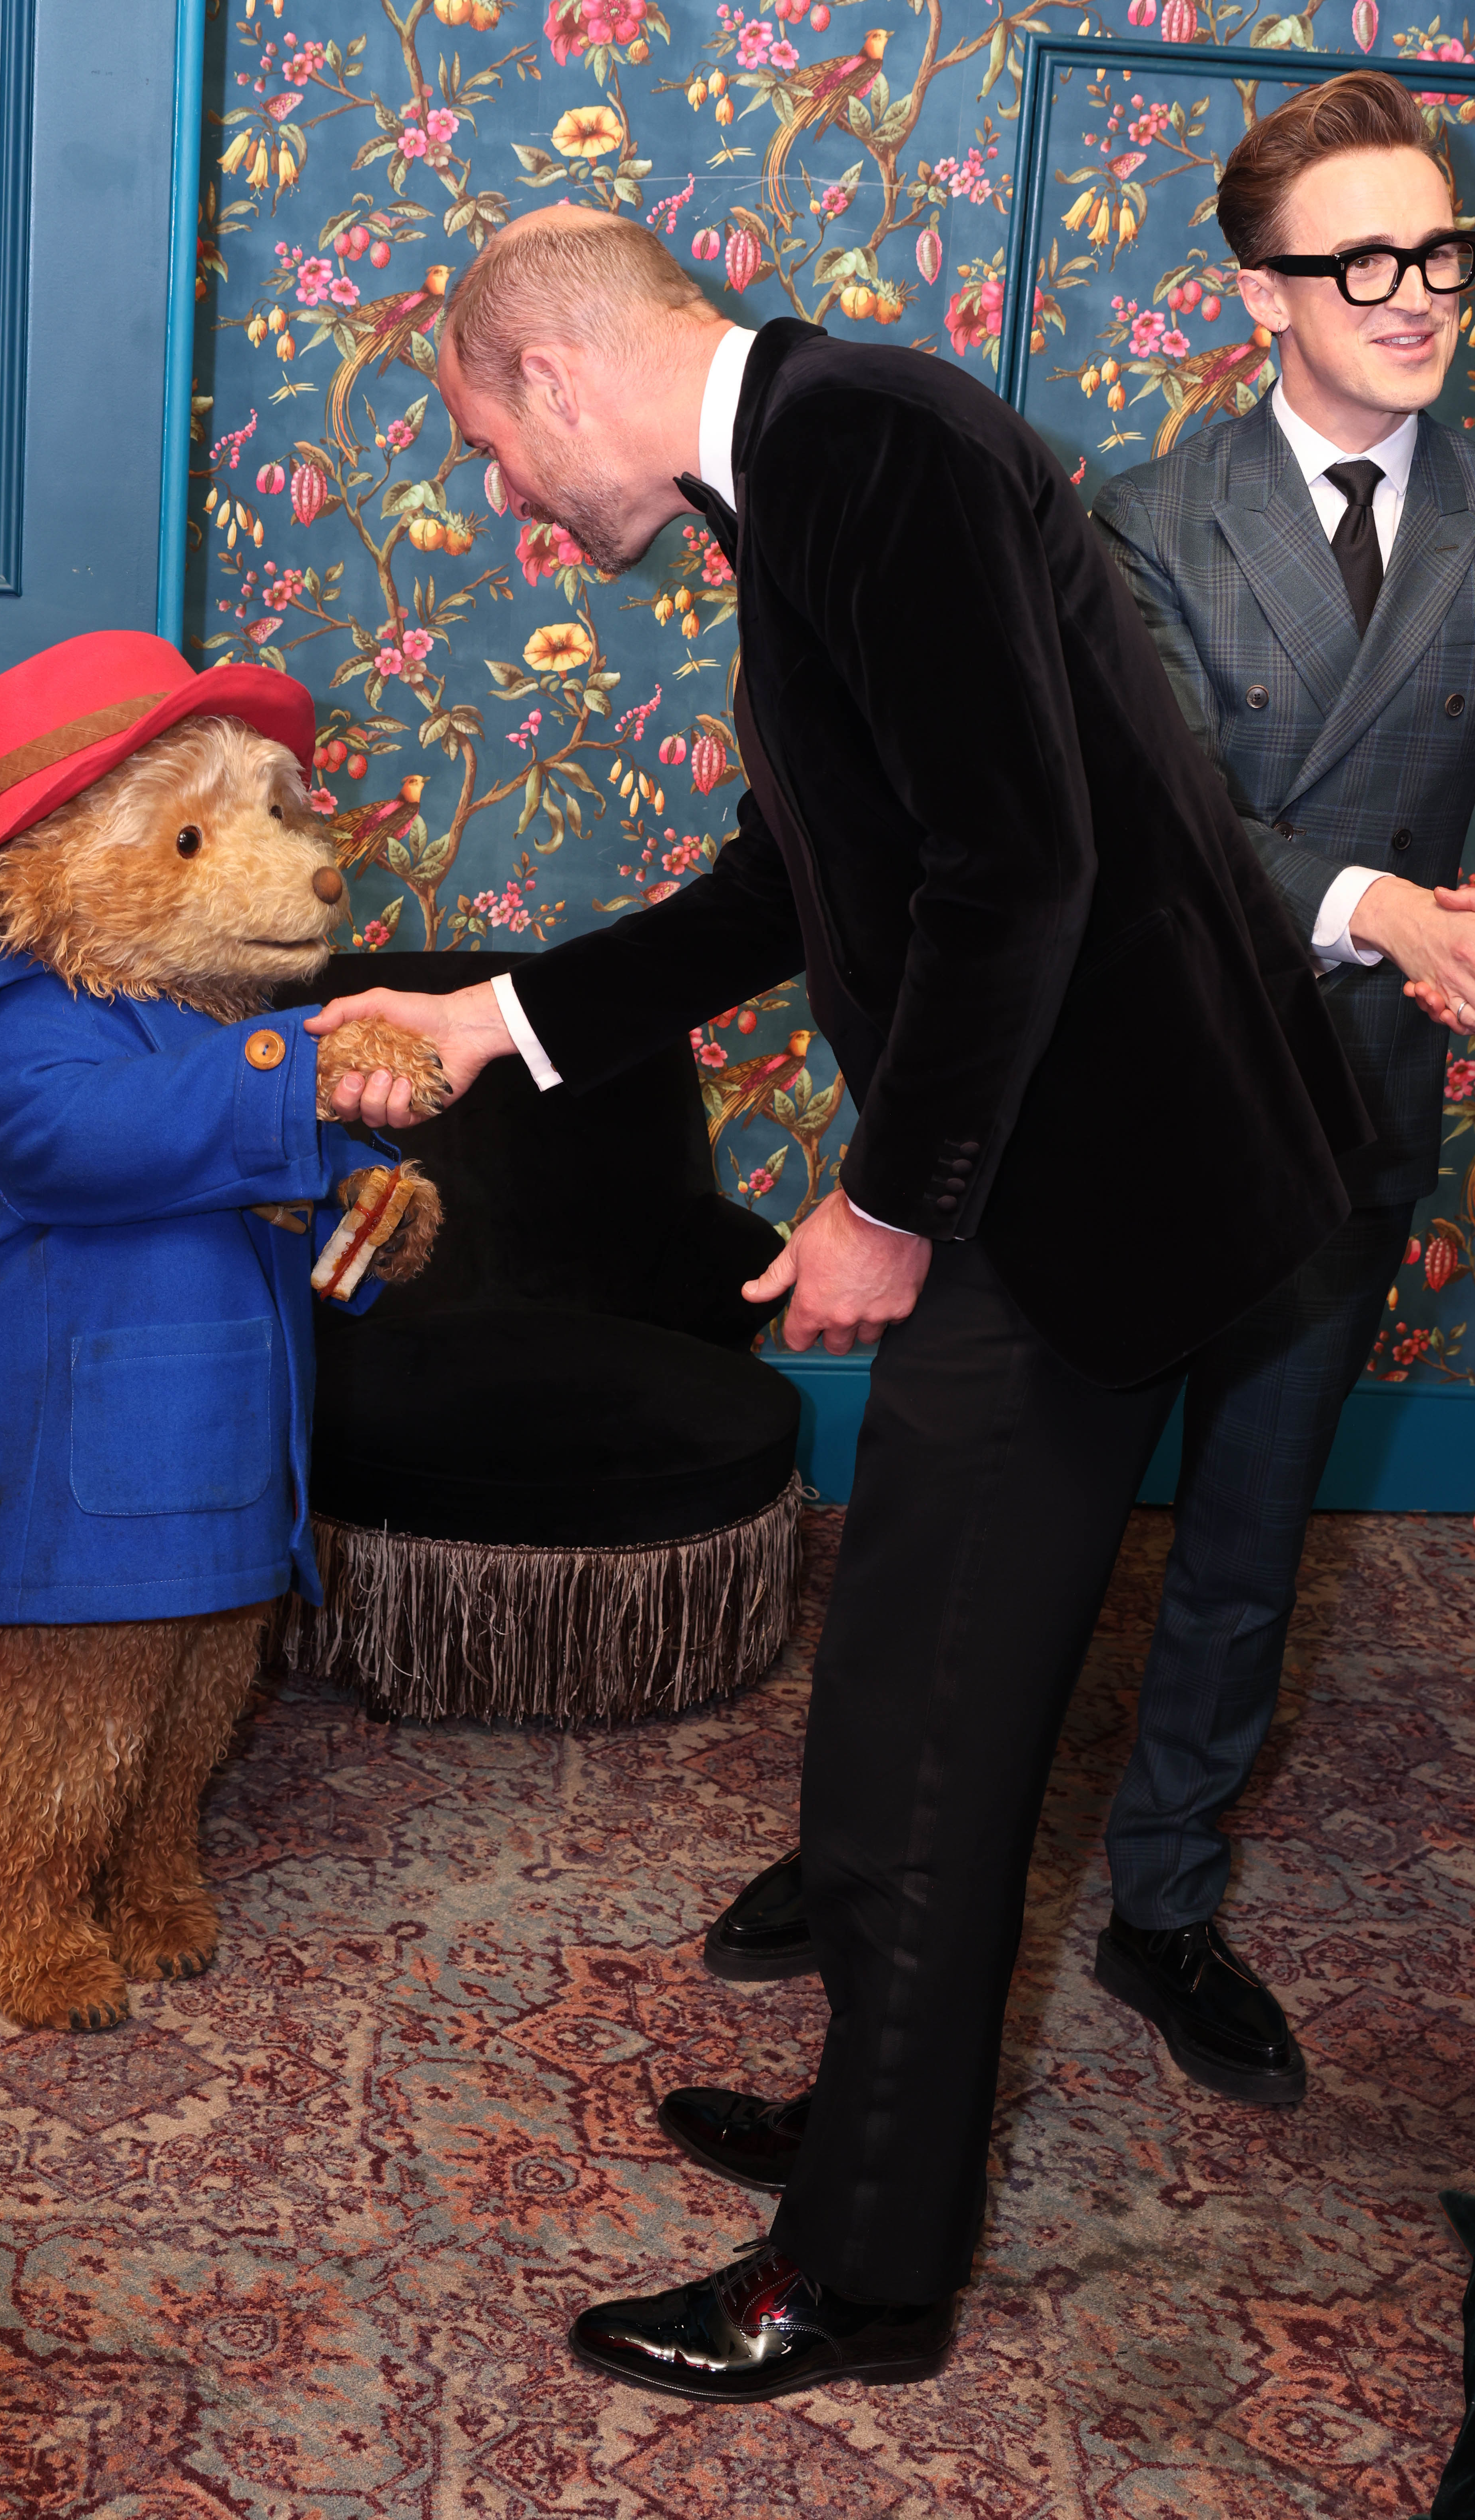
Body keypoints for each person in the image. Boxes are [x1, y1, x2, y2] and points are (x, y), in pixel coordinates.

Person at [306, 204, 1370, 2402]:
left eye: (492, 455)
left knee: (922, 1741)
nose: (507, 506)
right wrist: (484, 1020)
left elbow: (1018, 869)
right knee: (893, 1709)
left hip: (1089, 1207)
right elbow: (783, 886)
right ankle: (876, 2132)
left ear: (550, 374)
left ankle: (863, 2276)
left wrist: (888, 1204)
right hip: (1042, 1182)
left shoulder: (864, 446)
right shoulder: (795, 471)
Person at [698, 71, 1475, 2120]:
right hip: (1097, 1122)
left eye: (1443, 252)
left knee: (1246, 1530)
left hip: (1350, 1116)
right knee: (969, 1537)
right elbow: (1151, 826)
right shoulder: (1125, 509)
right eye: (1365, 260)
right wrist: (1387, 900)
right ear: (1257, 296)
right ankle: (872, 1858)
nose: (1416, 295)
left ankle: (1164, 1903)